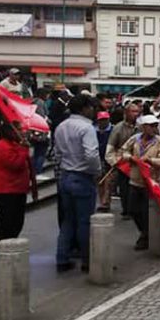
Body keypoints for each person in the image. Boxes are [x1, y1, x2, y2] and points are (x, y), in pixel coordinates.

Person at [53, 94, 102, 273]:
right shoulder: (86, 128)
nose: (94, 110)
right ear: (84, 108)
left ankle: (62, 258)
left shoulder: (61, 126)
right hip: (82, 176)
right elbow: (91, 154)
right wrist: (97, 171)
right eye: (92, 107)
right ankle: (87, 260)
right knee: (84, 221)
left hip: (65, 175)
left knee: (68, 220)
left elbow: (57, 153)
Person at [109, 114, 160, 250]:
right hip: (135, 180)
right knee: (133, 210)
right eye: (151, 126)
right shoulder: (134, 139)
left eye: (155, 126)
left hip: (152, 182)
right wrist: (130, 158)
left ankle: (146, 236)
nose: (154, 128)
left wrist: (151, 161)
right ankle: (144, 232)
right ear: (143, 127)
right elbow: (122, 151)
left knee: (147, 211)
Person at [0, 122, 35, 240]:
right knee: (9, 222)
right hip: (6, 191)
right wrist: (24, 150)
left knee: (17, 221)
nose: (22, 132)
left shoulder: (15, 145)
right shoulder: (3, 146)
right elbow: (15, 165)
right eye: (19, 129)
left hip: (17, 189)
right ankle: (5, 246)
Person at [107, 103, 140, 219]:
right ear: (126, 113)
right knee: (124, 188)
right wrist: (114, 162)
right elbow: (111, 147)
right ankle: (126, 210)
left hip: (138, 162)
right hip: (123, 163)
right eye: (133, 111)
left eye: (137, 111)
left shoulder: (141, 127)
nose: (136, 114)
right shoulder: (118, 128)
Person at [95, 111, 113, 212]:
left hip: (109, 158)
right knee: (100, 180)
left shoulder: (112, 130)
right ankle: (102, 200)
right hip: (98, 157)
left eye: (105, 119)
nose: (103, 122)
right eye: (101, 120)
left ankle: (106, 202)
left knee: (108, 181)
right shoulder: (94, 130)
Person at [31, 88, 51, 176]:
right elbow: (42, 116)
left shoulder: (34, 102)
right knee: (41, 152)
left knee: (37, 152)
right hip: (40, 131)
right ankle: (37, 171)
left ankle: (35, 170)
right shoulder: (40, 103)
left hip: (35, 130)